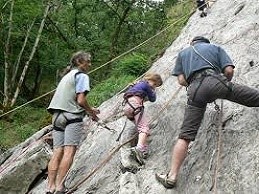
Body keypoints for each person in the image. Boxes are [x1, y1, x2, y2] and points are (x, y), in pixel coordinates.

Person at [155, 36, 259, 188]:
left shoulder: (183, 54)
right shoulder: (215, 48)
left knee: (185, 135)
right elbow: (229, 70)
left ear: (192, 44)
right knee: (255, 97)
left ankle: (172, 176)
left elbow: (181, 80)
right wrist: (224, 85)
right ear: (205, 43)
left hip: (195, 90)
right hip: (216, 81)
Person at [46, 51, 99, 194]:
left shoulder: (66, 77)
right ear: (80, 62)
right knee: (69, 152)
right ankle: (60, 187)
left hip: (57, 116)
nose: (90, 64)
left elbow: (71, 99)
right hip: (72, 117)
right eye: (88, 61)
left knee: (57, 152)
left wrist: (90, 108)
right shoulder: (82, 76)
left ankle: (50, 187)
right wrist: (91, 113)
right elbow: (81, 100)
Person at [123, 73, 163, 165]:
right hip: (135, 105)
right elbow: (153, 99)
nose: (154, 86)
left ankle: (143, 149)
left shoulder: (138, 84)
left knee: (141, 128)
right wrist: (153, 91)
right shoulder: (147, 85)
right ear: (153, 80)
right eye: (155, 84)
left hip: (127, 107)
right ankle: (139, 148)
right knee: (144, 128)